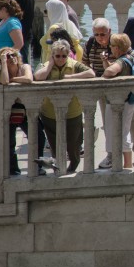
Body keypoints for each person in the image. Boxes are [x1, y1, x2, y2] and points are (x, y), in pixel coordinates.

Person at [33, 39, 94, 174]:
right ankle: (59, 169)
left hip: (73, 112)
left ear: (68, 55)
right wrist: (49, 66)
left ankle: (73, 165)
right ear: (52, 55)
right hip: (49, 113)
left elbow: (91, 73)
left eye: (64, 56)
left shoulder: (74, 65)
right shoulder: (45, 64)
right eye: (57, 56)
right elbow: (37, 77)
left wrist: (71, 77)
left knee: (73, 145)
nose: (61, 59)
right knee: (55, 145)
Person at [101, 33, 134, 170]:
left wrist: (105, 71)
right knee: (123, 132)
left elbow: (110, 72)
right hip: (127, 102)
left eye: (112, 46)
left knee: (121, 133)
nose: (110, 48)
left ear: (118, 48)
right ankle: (126, 164)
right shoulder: (130, 58)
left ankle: (127, 165)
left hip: (120, 102)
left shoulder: (122, 61)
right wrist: (105, 62)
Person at [0, 47, 33, 175]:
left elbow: (28, 79)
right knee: (9, 142)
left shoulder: (24, 67)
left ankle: (37, 166)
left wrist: (13, 80)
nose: (11, 58)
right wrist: (3, 64)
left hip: (27, 108)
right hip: (9, 109)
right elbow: (4, 80)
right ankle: (13, 170)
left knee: (37, 136)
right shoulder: (3, 71)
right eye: (7, 57)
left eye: (13, 55)